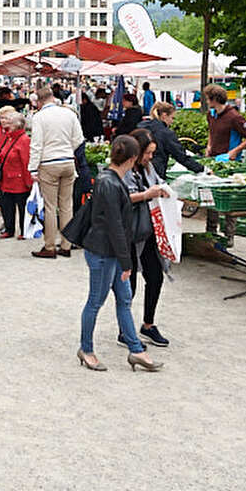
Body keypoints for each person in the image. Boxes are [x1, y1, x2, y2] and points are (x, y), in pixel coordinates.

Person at [77, 135, 162, 373]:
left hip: (108, 250)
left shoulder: (110, 178)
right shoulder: (111, 183)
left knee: (124, 299)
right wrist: (127, 262)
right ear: (133, 158)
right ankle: (87, 348)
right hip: (105, 252)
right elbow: (115, 226)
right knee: (96, 301)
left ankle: (136, 349)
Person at [123, 130, 171, 348]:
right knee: (129, 285)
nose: (151, 157)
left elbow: (159, 183)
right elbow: (122, 197)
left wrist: (164, 190)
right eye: (148, 153)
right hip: (130, 232)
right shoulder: (123, 169)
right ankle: (125, 331)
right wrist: (147, 195)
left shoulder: (148, 168)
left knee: (155, 277)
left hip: (149, 230)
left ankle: (148, 325)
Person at [29, 84, 84, 259]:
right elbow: (79, 139)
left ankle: (50, 245)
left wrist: (32, 167)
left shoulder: (39, 117)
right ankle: (66, 244)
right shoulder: (69, 113)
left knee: (50, 206)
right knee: (66, 205)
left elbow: (36, 144)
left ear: (39, 102)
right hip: (68, 161)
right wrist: (68, 150)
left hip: (49, 163)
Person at [0, 110, 33, 239]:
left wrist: (29, 183)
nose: (7, 123)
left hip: (19, 180)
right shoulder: (10, 137)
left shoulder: (24, 140)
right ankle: (9, 229)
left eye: (10, 121)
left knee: (21, 207)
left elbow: (26, 162)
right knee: (7, 206)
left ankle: (23, 230)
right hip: (7, 178)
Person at [138, 102, 204, 180]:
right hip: (156, 173)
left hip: (138, 172)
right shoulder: (166, 133)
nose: (172, 121)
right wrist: (201, 169)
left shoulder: (140, 127)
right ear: (164, 115)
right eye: (172, 118)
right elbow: (180, 156)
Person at [203, 84, 246, 160]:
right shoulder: (210, 115)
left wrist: (234, 151)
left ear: (214, 99)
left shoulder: (234, 117)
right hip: (213, 159)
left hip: (229, 162)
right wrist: (209, 146)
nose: (207, 102)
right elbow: (211, 131)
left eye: (208, 99)